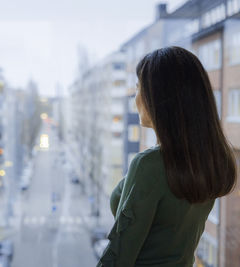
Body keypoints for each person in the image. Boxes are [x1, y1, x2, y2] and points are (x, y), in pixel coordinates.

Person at [97, 46, 237, 267]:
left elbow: (117, 257)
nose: (135, 97)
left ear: (158, 98)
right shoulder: (210, 159)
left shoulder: (150, 166)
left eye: (138, 88)